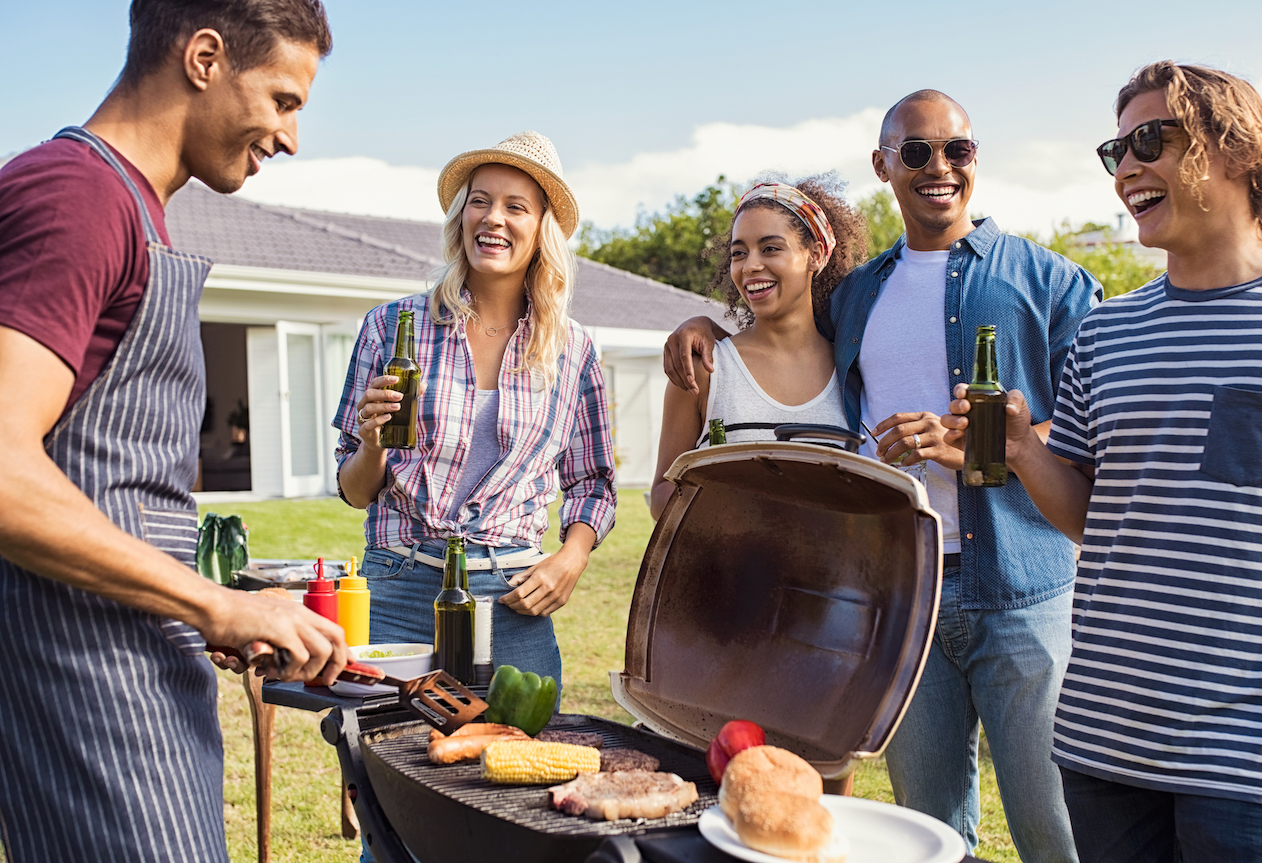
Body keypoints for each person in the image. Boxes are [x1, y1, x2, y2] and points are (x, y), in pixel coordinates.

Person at [663, 91, 1100, 861]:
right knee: (924, 829)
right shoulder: (860, 295)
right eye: (917, 152)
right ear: (883, 165)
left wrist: (1001, 439)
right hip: (903, 595)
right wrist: (705, 323)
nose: (939, 168)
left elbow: (1096, 424)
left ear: (974, 158)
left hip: (1024, 590)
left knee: (1053, 825)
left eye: (956, 150)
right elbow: (781, 323)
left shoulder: (1048, 279)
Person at [0, 2, 348, 862]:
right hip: (85, 683)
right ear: (203, 57)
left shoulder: (135, 210)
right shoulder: (78, 196)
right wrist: (213, 602)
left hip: (133, 657)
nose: (289, 135)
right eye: (282, 99)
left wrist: (213, 611)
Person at [945, 62, 1262, 863]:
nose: (1127, 168)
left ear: (1239, 150)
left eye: (1151, 139)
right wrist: (1025, 446)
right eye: (1117, 151)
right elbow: (1087, 512)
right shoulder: (1109, 333)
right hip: (1105, 742)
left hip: (1252, 755)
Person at [333, 131, 616, 695]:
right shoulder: (391, 328)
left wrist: (572, 556)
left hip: (512, 595)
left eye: (516, 207)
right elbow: (354, 489)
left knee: (518, 767)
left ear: (541, 230)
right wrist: (371, 445)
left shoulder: (573, 348)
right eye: (480, 201)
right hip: (398, 585)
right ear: (461, 217)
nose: (494, 219)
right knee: (382, 770)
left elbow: (593, 481)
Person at [649, 176, 865, 520]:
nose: (750, 265)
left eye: (770, 248)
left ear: (816, 255)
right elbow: (661, 493)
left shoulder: (853, 369)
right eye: (739, 252)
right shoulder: (704, 369)